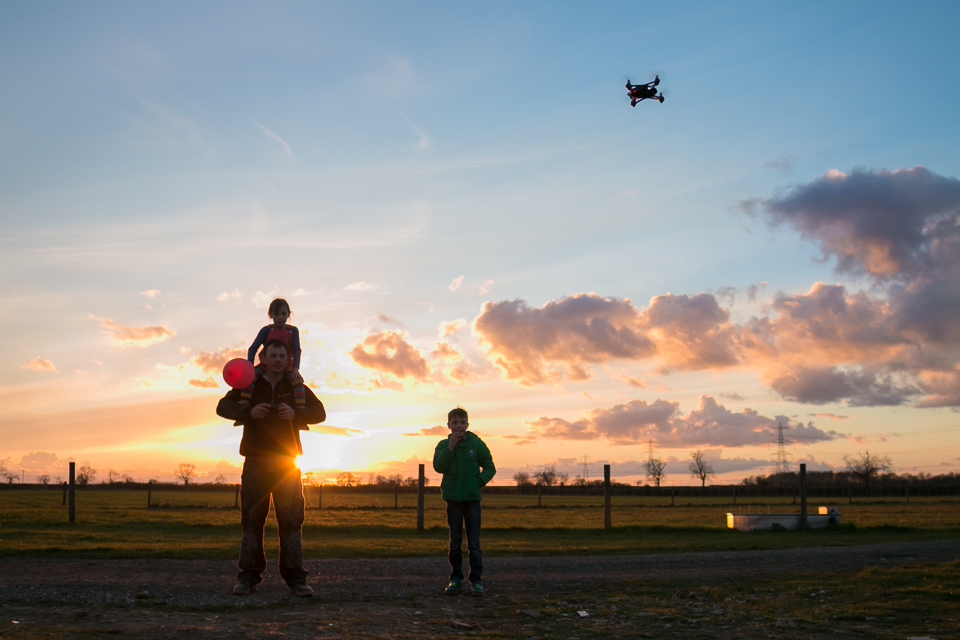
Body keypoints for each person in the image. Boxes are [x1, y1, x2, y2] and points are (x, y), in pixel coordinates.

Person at [216, 339, 326, 597]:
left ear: (288, 360)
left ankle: (296, 578)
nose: (277, 360)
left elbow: (319, 412)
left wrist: (296, 415)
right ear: (263, 359)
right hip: (256, 463)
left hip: (287, 465)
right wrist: (249, 412)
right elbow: (223, 407)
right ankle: (248, 577)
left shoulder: (295, 385)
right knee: (252, 522)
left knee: (291, 522)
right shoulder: (248, 384)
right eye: (272, 355)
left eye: (282, 356)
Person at [432, 407, 496, 596]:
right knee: (455, 542)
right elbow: (438, 466)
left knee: (474, 544)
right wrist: (450, 447)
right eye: (455, 422)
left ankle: (476, 581)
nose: (458, 426)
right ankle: (455, 579)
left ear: (467, 425)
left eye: (462, 422)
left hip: (472, 501)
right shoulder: (443, 445)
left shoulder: (477, 444)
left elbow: (490, 467)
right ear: (449, 425)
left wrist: (477, 483)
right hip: (453, 501)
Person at [245, 298, 305, 409]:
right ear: (270, 315)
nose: (280, 318)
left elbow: (296, 349)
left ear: (288, 314)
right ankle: (243, 405)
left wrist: (296, 369)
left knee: (297, 382)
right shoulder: (266, 331)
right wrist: (250, 367)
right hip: (266, 364)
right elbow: (253, 348)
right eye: (277, 314)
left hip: (287, 366)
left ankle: (300, 412)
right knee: (249, 378)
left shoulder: (293, 331)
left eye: (283, 314)